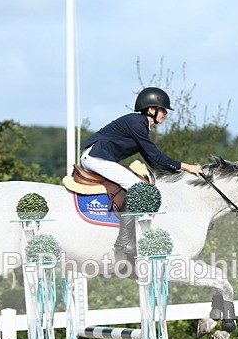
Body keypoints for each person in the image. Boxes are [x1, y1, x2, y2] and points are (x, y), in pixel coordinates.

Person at [80, 87, 203, 255]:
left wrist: (178, 175)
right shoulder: (138, 124)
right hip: (96, 157)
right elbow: (156, 155)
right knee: (138, 187)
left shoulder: (141, 125)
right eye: (163, 110)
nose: (165, 114)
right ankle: (123, 242)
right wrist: (187, 167)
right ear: (152, 109)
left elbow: (153, 160)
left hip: (100, 157)